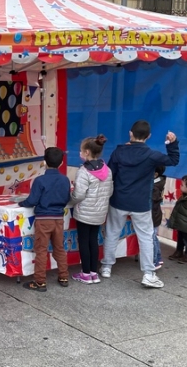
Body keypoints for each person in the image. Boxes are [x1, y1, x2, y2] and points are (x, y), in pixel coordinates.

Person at [101, 121, 179, 288]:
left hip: (119, 200)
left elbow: (110, 173)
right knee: (145, 238)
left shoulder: (119, 152)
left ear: (130, 133)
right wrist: (172, 143)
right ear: (148, 136)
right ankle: (149, 274)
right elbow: (173, 160)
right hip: (141, 203)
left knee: (112, 233)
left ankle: (106, 267)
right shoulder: (151, 155)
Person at [19, 147, 71, 291]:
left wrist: (21, 203)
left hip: (43, 219)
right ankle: (64, 276)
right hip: (59, 219)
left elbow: (32, 200)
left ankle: (40, 282)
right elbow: (66, 198)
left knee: (41, 250)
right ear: (61, 163)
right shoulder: (65, 180)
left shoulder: (39, 180)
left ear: (44, 162)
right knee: (59, 248)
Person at [70, 135, 113, 285]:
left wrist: (70, 200)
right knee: (93, 241)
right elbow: (110, 191)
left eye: (81, 150)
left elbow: (79, 194)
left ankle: (85, 273)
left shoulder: (83, 171)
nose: (79, 153)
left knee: (83, 241)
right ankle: (94, 272)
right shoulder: (107, 169)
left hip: (84, 213)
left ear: (87, 152)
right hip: (100, 213)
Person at [152, 166, 167, 270]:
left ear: (155, 174)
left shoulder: (154, 187)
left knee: (151, 238)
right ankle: (158, 257)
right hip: (154, 215)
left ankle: (154, 261)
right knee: (153, 237)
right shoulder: (158, 182)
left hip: (152, 216)